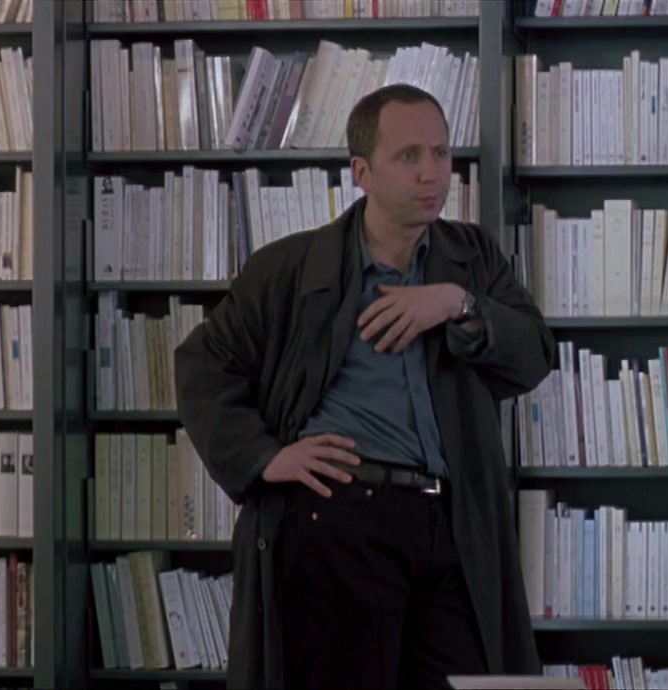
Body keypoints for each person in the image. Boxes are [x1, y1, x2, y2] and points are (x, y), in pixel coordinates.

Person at [174, 83, 555, 690]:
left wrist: (456, 303)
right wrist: (265, 457)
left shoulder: (472, 259)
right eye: (409, 156)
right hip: (340, 519)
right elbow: (202, 365)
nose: (431, 172)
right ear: (361, 172)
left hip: (454, 523)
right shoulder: (291, 268)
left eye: (440, 153)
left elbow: (534, 353)